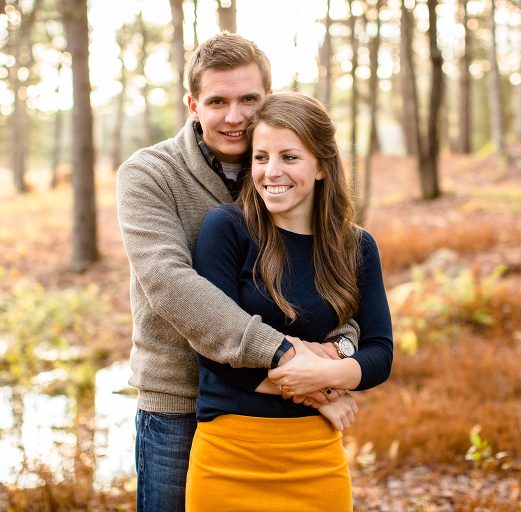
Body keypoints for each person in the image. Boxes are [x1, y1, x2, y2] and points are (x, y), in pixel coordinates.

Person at [116, 35, 358, 512]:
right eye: (217, 101)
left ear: (268, 96)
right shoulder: (149, 174)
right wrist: (291, 359)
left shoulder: (286, 170)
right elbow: (170, 282)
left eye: (249, 99)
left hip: (281, 412)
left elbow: (334, 278)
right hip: (178, 401)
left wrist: (334, 361)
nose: (235, 116)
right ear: (193, 104)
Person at [186, 92, 393, 511]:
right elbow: (214, 350)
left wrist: (326, 374)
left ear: (321, 166)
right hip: (229, 453)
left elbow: (380, 352)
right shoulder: (227, 229)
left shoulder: (356, 246)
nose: (271, 172)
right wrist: (325, 391)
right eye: (260, 157)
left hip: (316, 457)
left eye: (289, 157)